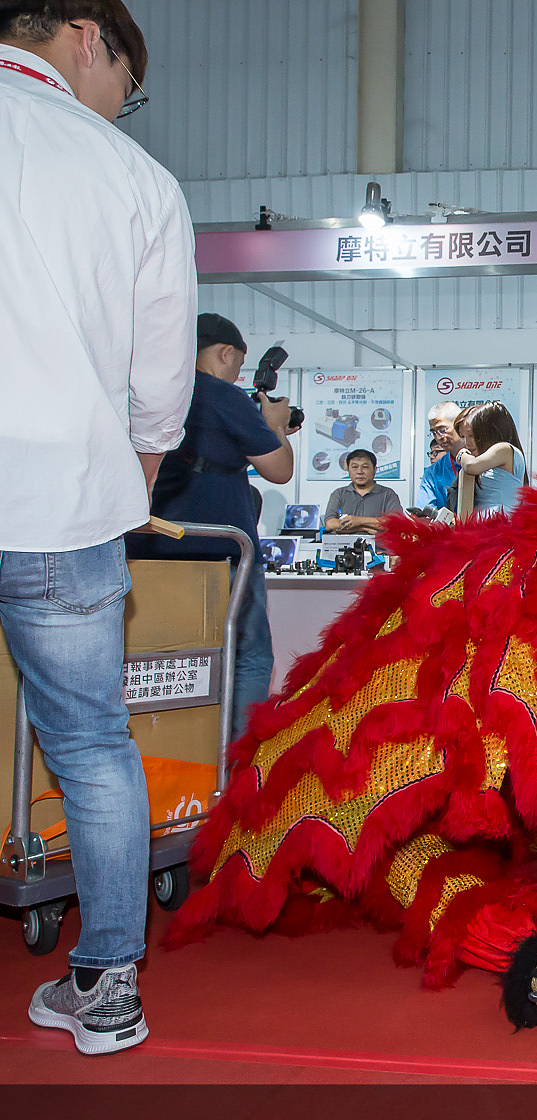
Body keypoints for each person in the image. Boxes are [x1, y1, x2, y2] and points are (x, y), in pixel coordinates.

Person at [0, 0, 195, 1057]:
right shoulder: (131, 176)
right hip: (62, 500)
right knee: (88, 742)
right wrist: (141, 464)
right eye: (130, 82)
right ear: (88, 37)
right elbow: (160, 381)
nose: (122, 103)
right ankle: (109, 985)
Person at [142, 313, 298, 741]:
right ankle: (235, 759)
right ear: (226, 352)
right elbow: (279, 470)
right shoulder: (222, 396)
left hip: (152, 552)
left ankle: (177, 746)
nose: (237, 376)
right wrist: (275, 425)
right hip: (223, 556)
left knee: (169, 658)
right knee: (248, 656)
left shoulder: (154, 391)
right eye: (239, 365)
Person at [455, 400, 528, 514]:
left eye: (472, 435)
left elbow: (471, 466)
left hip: (502, 521)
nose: (467, 443)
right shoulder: (485, 461)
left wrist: (462, 454)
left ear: (489, 431)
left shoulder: (504, 449)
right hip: (482, 521)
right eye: (463, 436)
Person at [323, 449, 402, 533]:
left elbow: (395, 523)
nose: (359, 472)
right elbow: (330, 524)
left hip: (377, 542)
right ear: (348, 470)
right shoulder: (339, 494)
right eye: (354, 467)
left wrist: (359, 521)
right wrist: (364, 528)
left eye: (365, 467)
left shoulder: (388, 494)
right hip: (345, 542)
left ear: (375, 470)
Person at [414, 401, 461, 516]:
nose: (438, 437)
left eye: (442, 430)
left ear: (459, 425)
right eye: (434, 433)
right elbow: (425, 511)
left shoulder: (483, 461)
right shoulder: (433, 473)